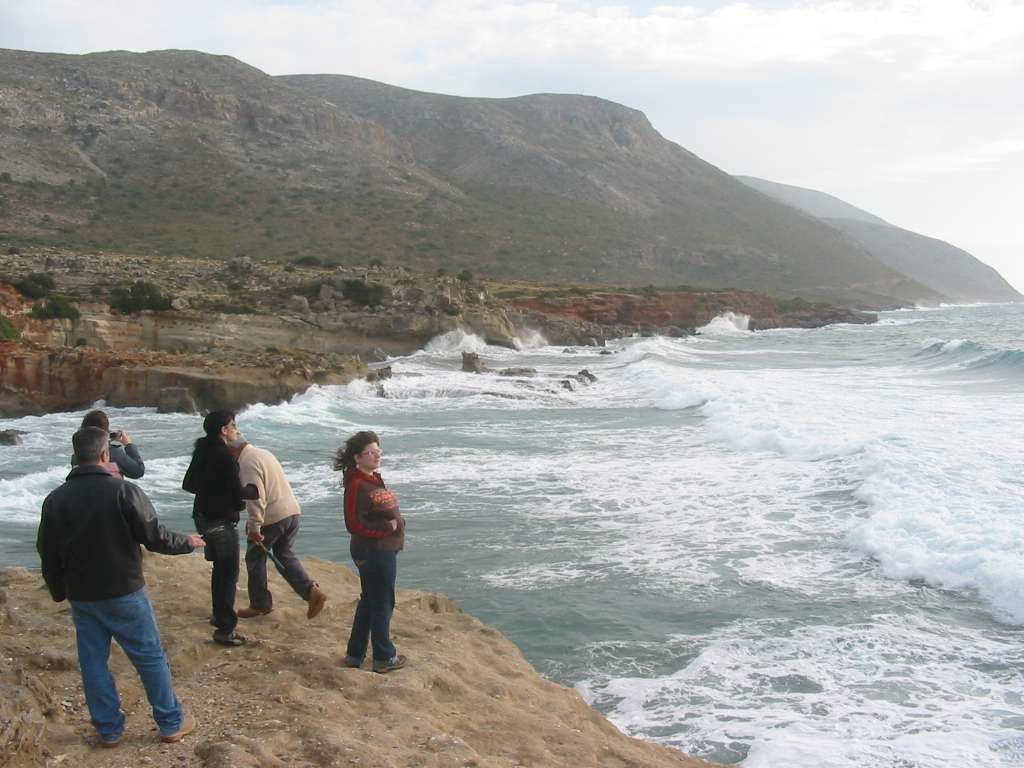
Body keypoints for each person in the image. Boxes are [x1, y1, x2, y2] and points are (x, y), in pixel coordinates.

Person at [37, 426, 202, 747]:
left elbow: (48, 551)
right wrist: (189, 542)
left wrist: (59, 590)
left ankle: (109, 730)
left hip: (83, 594)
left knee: (94, 661)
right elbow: (155, 536)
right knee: (149, 656)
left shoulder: (54, 500)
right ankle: (171, 723)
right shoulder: (122, 491)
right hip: (125, 589)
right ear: (105, 455)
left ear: (74, 456)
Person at [334, 430, 407, 674]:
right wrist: (389, 527)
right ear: (357, 457)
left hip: (379, 550)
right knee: (382, 603)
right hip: (374, 552)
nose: (376, 456)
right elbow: (354, 523)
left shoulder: (372, 479)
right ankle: (384, 657)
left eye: (378, 451)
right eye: (370, 453)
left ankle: (355, 655)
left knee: (369, 601)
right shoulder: (357, 485)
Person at [233, 439, 327, 620]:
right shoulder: (263, 453)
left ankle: (260, 605)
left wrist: (254, 526)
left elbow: (255, 497)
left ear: (234, 451)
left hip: (272, 517)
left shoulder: (246, 463)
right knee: (284, 555)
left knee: (254, 558)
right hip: (291, 511)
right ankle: (311, 592)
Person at [182, 410, 251, 647]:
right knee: (228, 573)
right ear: (223, 430)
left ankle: (218, 615)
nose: (236, 429)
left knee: (220, 570)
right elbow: (238, 497)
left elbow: (188, 484)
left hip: (201, 516)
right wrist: (233, 502)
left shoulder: (202, 450)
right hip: (220, 520)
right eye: (233, 425)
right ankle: (225, 629)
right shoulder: (225, 456)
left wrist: (210, 491)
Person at [75, 409, 146, 479]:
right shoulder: (114, 453)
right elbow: (138, 471)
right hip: (112, 489)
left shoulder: (77, 455)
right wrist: (129, 445)